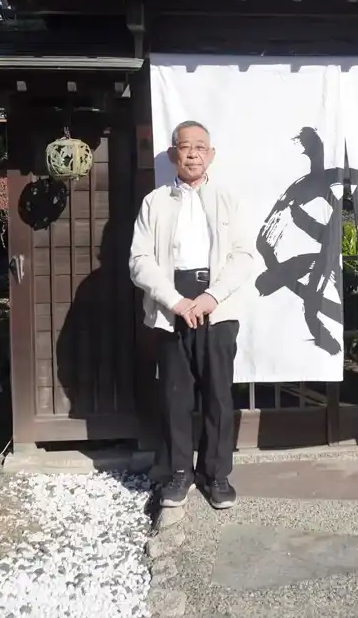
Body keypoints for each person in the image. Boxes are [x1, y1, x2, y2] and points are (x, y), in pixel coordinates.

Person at [130, 120, 255, 510]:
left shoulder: (228, 199)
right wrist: (176, 301)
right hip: (172, 307)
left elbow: (242, 255)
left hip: (217, 306)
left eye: (201, 147)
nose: (193, 153)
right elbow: (139, 260)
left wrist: (211, 297)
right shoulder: (154, 202)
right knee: (175, 395)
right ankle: (178, 472)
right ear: (173, 155)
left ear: (211, 154)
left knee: (219, 395)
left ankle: (216, 475)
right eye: (185, 147)